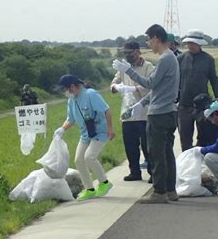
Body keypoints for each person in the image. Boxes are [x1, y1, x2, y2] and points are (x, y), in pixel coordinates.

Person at [112, 24, 179, 203]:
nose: (149, 44)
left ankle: (159, 192)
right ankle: (170, 190)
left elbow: (150, 83)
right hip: (168, 111)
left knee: (156, 153)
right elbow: (159, 88)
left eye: (149, 40)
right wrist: (142, 103)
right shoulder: (170, 58)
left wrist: (128, 71)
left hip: (159, 114)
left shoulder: (165, 58)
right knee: (166, 152)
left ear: (156, 38)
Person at [54, 75, 115, 201]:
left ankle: (104, 183)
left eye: (64, 90)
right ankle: (89, 189)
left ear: (72, 87)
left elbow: (106, 111)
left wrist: (110, 129)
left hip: (100, 132)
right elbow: (70, 119)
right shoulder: (72, 101)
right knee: (79, 159)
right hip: (85, 134)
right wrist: (62, 129)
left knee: (89, 157)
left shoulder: (90, 94)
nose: (64, 93)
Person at [111, 41, 154, 182]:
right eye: (125, 53)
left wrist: (134, 89)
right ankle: (134, 172)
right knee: (130, 146)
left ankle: (153, 172)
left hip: (144, 112)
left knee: (147, 146)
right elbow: (114, 82)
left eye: (130, 53)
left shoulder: (148, 67)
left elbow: (151, 88)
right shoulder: (123, 68)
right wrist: (117, 87)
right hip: (128, 113)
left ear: (138, 51)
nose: (128, 55)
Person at [177, 29, 218, 152]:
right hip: (184, 104)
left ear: (200, 44)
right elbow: (175, 81)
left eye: (193, 43)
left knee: (204, 137)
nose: (190, 45)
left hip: (202, 105)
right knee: (185, 139)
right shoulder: (181, 58)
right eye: (189, 43)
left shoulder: (208, 59)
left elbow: (214, 79)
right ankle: (186, 165)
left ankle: (202, 164)